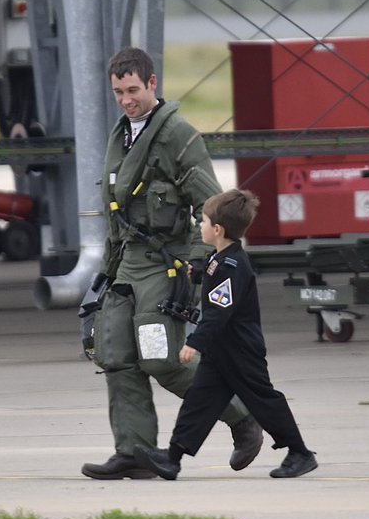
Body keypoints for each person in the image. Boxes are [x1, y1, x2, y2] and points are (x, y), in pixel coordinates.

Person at [80, 47, 263, 480]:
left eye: (133, 90)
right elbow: (115, 212)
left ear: (153, 84)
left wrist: (206, 267)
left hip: (168, 266)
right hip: (125, 266)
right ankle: (135, 450)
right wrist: (106, 272)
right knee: (116, 356)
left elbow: (216, 208)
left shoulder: (178, 135)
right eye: (118, 92)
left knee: (162, 359)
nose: (126, 100)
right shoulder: (121, 134)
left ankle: (243, 417)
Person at [133, 189, 318, 480]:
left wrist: (193, 343)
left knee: (264, 401)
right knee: (199, 402)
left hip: (241, 352)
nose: (200, 227)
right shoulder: (221, 259)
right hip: (221, 352)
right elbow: (213, 277)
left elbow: (219, 314)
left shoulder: (231, 266)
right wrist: (199, 272)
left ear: (217, 229)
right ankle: (172, 458)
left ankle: (300, 453)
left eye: (203, 222)